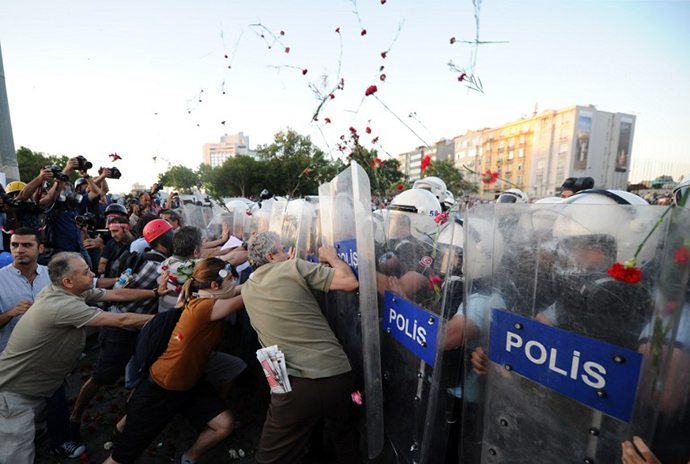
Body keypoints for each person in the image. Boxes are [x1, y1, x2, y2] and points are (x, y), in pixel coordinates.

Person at [0, 251, 170, 463]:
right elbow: (121, 320)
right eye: (86, 272)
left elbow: (114, 294)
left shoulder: (68, 292)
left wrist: (154, 293)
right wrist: (172, 318)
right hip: (13, 393)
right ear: (68, 281)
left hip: (33, 386)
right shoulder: (63, 305)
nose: (92, 274)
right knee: (16, 456)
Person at [104, 258, 244, 464]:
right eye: (231, 279)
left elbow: (236, 290)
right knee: (122, 456)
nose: (234, 283)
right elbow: (247, 293)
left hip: (188, 383)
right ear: (214, 285)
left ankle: (189, 458)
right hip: (164, 387)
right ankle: (121, 429)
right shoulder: (204, 307)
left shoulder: (197, 294)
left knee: (224, 423)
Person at [242, 231, 361, 464]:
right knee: (342, 433)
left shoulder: (247, 288)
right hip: (335, 374)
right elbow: (350, 281)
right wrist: (332, 257)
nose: (288, 252)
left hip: (290, 387)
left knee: (272, 456)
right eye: (282, 249)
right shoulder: (293, 268)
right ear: (270, 256)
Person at [70, 219, 174, 432]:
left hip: (132, 326)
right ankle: (75, 416)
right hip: (121, 328)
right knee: (103, 375)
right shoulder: (158, 267)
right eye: (172, 238)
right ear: (163, 244)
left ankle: (130, 415)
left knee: (145, 372)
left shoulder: (147, 258)